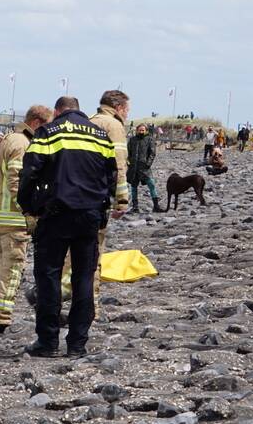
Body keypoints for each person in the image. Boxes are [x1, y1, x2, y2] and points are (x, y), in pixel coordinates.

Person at [18, 98, 118, 358]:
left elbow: (29, 172)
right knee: (83, 278)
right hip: (89, 215)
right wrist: (103, 209)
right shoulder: (100, 135)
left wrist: (29, 206)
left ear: (57, 111)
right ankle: (77, 344)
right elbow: (112, 175)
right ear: (79, 109)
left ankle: (48, 342)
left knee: (48, 277)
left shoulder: (48, 132)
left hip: (56, 214)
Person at [0, 104, 53, 336]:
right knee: (12, 270)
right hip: (13, 218)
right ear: (36, 122)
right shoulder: (22, 144)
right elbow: (17, 183)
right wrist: (29, 212)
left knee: (2, 267)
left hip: (2, 215)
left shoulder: (10, 139)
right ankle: (0, 319)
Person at [89, 91, 131, 317]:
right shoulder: (113, 126)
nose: (127, 114)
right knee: (93, 255)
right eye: (127, 110)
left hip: (77, 197)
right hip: (98, 197)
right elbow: (119, 166)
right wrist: (121, 201)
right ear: (119, 107)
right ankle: (91, 308)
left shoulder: (88, 121)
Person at [127, 123, 161, 212]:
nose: (141, 131)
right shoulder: (132, 140)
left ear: (146, 131)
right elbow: (128, 153)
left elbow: (152, 153)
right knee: (133, 187)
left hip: (145, 167)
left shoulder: (149, 139)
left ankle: (156, 206)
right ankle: (135, 207)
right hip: (134, 167)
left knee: (151, 184)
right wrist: (129, 163)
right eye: (140, 130)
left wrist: (148, 164)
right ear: (137, 130)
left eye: (143, 130)